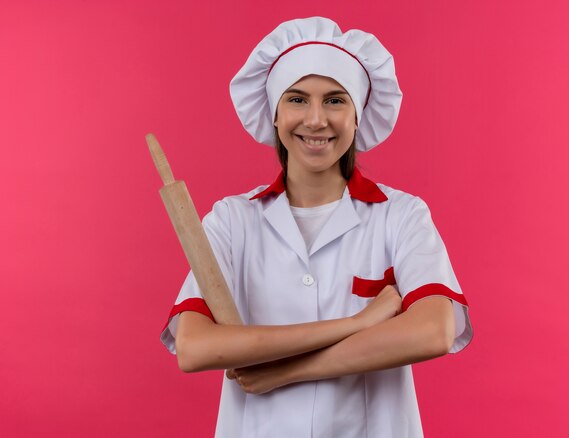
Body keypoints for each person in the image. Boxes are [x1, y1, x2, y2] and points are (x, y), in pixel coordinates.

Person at [160, 17, 473, 438]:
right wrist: (359, 322)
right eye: (297, 99)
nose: (315, 120)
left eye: (335, 101)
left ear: (358, 115)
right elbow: (195, 348)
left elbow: (435, 330)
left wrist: (287, 371)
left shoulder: (400, 215)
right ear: (273, 114)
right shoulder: (232, 221)